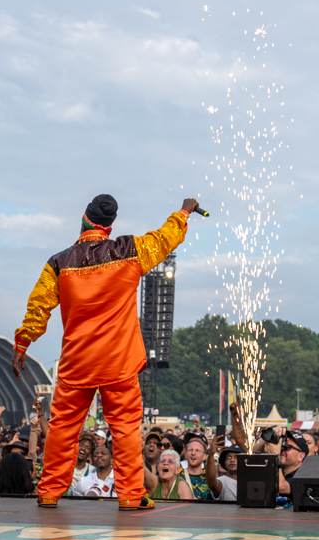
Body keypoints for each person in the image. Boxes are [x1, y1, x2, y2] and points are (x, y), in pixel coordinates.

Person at [14, 194, 199, 510]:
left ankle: (49, 491)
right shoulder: (128, 251)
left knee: (62, 428)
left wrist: (23, 343)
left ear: (84, 220)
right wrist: (184, 212)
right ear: (110, 227)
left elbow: (39, 305)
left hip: (77, 361)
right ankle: (129, 495)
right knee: (125, 427)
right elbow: (165, 239)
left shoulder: (59, 262)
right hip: (118, 361)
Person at [277, 433, 308, 497]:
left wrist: (275, 455)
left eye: (287, 447)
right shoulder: (278, 472)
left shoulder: (304, 476)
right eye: (281, 446)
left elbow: (281, 487)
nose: (281, 450)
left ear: (300, 456)